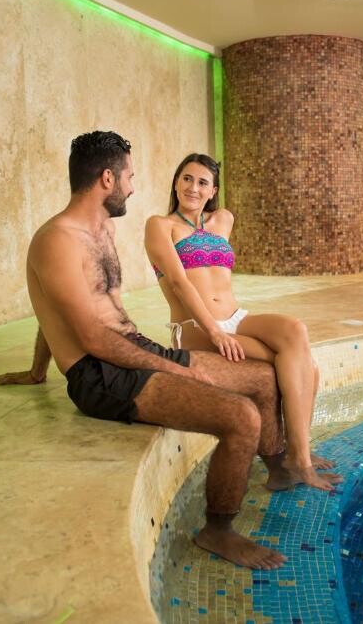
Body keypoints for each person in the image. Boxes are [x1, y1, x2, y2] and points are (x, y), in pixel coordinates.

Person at [0, 131, 289, 570]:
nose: (133, 186)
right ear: (107, 179)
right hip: (99, 374)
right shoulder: (57, 240)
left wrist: (37, 370)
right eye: (129, 176)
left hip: (131, 348)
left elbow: (64, 306)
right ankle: (218, 530)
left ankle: (279, 466)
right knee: (240, 416)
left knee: (263, 378)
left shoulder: (102, 229)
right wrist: (177, 369)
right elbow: (92, 338)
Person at [144, 153, 341, 492]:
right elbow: (179, 283)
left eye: (202, 182)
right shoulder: (160, 225)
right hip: (194, 326)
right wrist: (215, 331)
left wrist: (227, 327)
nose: (193, 188)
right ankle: (298, 459)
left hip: (235, 316)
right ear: (176, 182)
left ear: (213, 191)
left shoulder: (224, 220)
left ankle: (298, 454)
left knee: (295, 331)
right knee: (302, 366)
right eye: (187, 178)